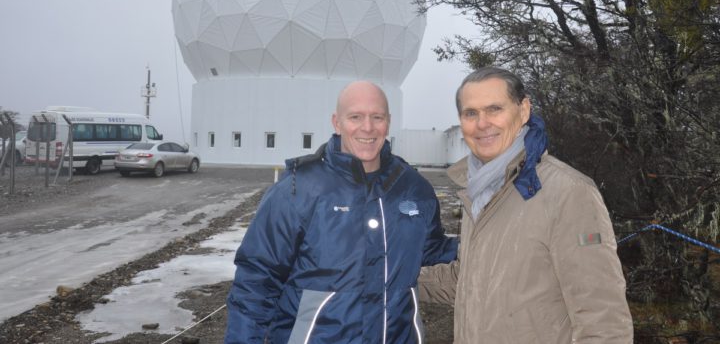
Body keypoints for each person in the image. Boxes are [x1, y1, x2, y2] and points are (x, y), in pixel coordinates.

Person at [224, 80, 458, 344]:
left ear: (388, 122)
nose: (367, 127)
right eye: (355, 117)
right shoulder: (297, 189)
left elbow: (431, 252)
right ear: (337, 122)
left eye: (377, 117)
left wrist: (488, 242)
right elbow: (256, 282)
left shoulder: (414, 188)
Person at [419, 67, 633, 343]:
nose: (482, 123)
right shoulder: (478, 190)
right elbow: (470, 279)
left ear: (523, 111)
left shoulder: (568, 193)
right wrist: (389, 274)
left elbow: (604, 320)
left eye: (494, 109)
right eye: (470, 113)